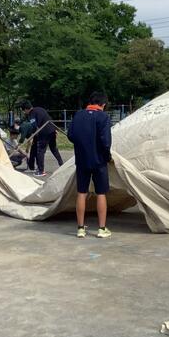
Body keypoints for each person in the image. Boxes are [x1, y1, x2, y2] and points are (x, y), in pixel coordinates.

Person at [68, 91, 113, 238]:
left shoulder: (78, 115)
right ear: (103, 104)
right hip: (99, 161)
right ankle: (102, 229)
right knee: (101, 193)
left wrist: (82, 145)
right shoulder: (103, 117)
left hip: (81, 159)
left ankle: (80, 229)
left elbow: (71, 135)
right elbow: (106, 141)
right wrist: (107, 156)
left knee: (82, 192)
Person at [20, 100, 63, 176]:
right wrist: (54, 129)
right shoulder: (40, 109)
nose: (24, 112)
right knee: (54, 148)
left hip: (44, 132)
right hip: (52, 130)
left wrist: (33, 135)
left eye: (24, 110)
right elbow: (49, 118)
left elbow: (35, 126)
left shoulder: (32, 114)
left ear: (26, 109)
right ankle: (62, 164)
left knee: (40, 151)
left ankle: (41, 171)